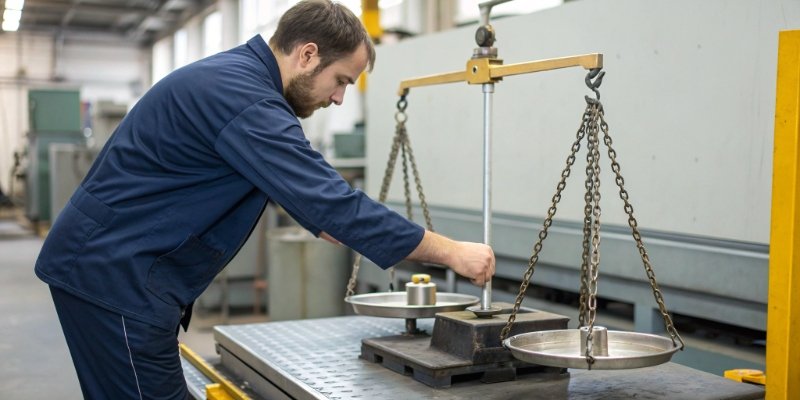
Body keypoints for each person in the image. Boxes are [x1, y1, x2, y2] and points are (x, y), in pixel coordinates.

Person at [35, 0, 495, 398]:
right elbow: (334, 201)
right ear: (307, 54)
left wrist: (322, 219)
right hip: (116, 279)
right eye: (340, 81)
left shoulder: (239, 79)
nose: (338, 99)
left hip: (112, 268)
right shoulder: (245, 99)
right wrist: (453, 252)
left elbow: (301, 193)